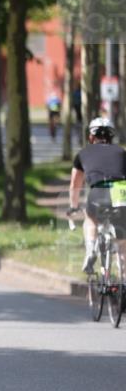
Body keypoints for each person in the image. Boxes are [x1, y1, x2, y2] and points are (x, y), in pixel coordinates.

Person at [68, 117, 126, 274]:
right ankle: (124, 280)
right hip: (121, 191)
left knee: (90, 218)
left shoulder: (83, 153)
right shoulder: (121, 152)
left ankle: (91, 250)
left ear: (91, 137)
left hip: (98, 191)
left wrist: (73, 207)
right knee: (123, 241)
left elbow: (75, 183)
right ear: (111, 136)